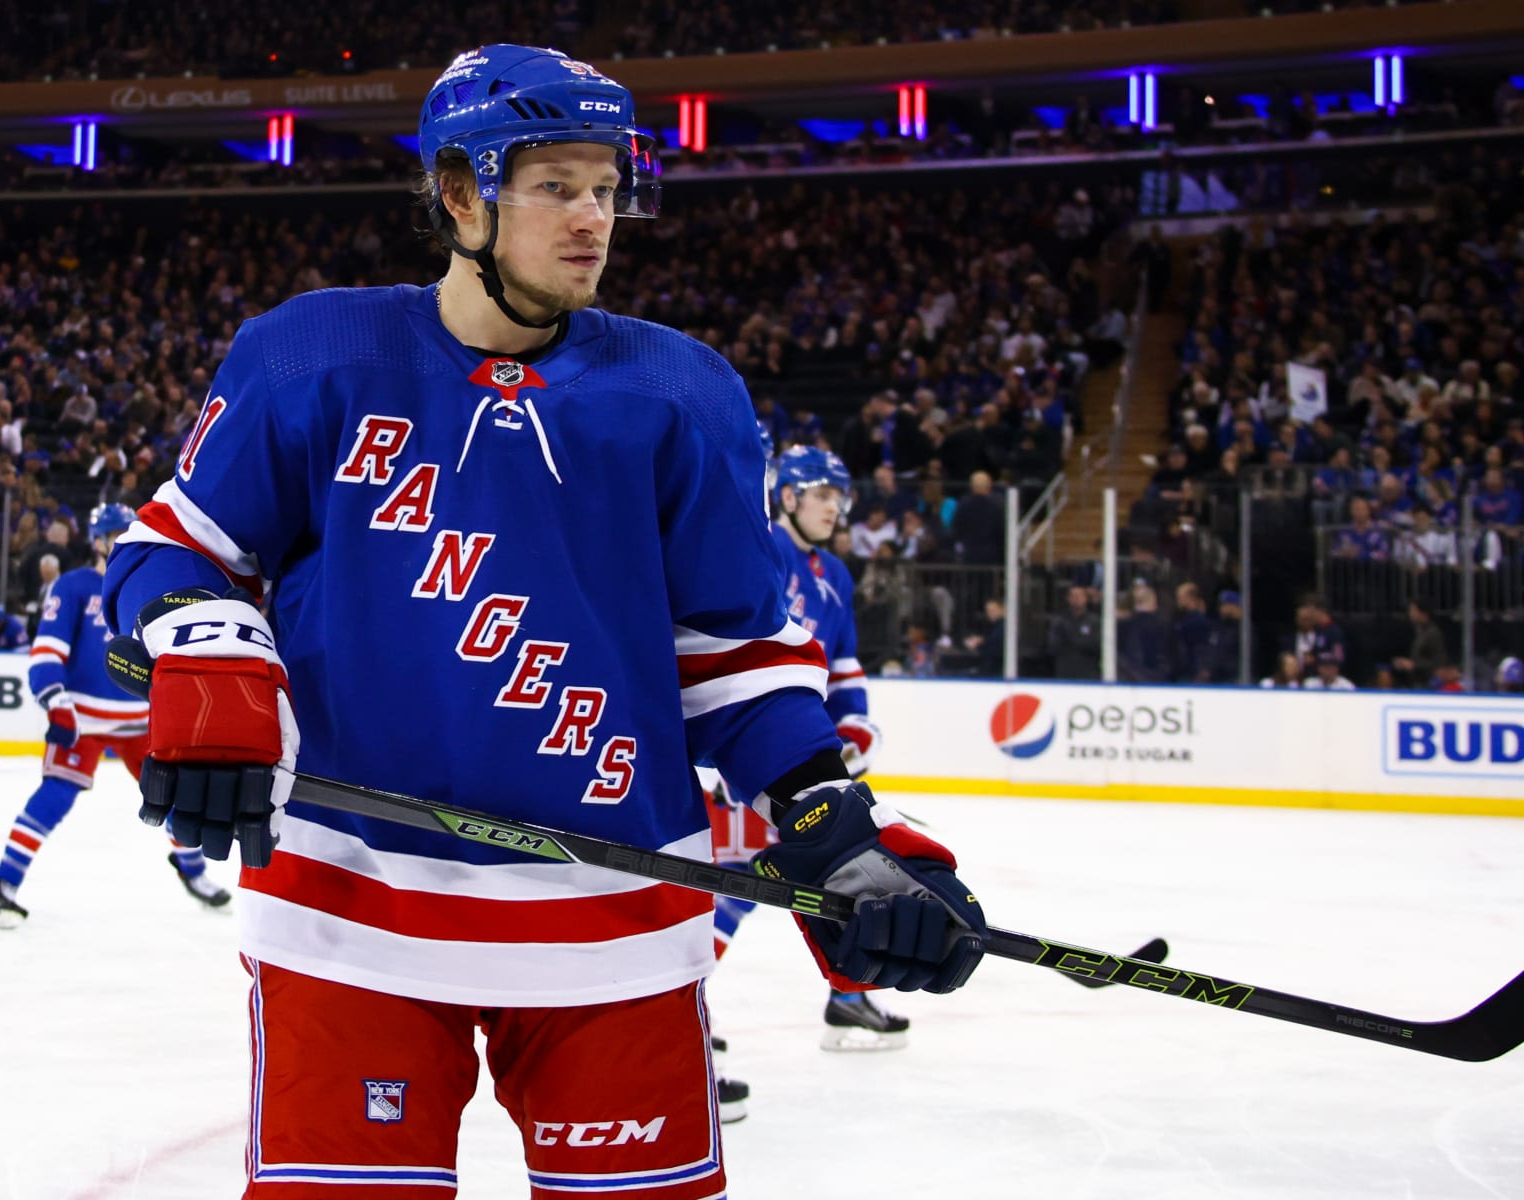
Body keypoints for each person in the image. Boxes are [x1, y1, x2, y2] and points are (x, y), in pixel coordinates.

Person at [100, 45, 987, 1196]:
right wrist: (214, 660)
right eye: (557, 185)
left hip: (614, 925)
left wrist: (828, 821)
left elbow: (737, 653)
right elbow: (176, 550)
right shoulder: (312, 355)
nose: (593, 220)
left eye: (608, 190)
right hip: (345, 910)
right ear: (461, 195)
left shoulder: (685, 393)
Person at [707, 444, 911, 1056]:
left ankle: (848, 997)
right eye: (823, 494)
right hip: (755, 754)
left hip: (804, 755)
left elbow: (842, 666)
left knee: (840, 874)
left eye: (839, 497)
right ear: (789, 495)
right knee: (732, 885)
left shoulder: (835, 574)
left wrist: (856, 727)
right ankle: (675, 1004)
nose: (835, 508)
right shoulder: (760, 550)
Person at [0, 505, 231, 927]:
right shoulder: (73, 586)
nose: (121, 539)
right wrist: (55, 700)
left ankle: (194, 872)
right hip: (82, 718)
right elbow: (48, 649)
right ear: (96, 539)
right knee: (55, 796)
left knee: (171, 797)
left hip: (139, 715)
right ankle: (2, 884)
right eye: (113, 533)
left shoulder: (148, 582)